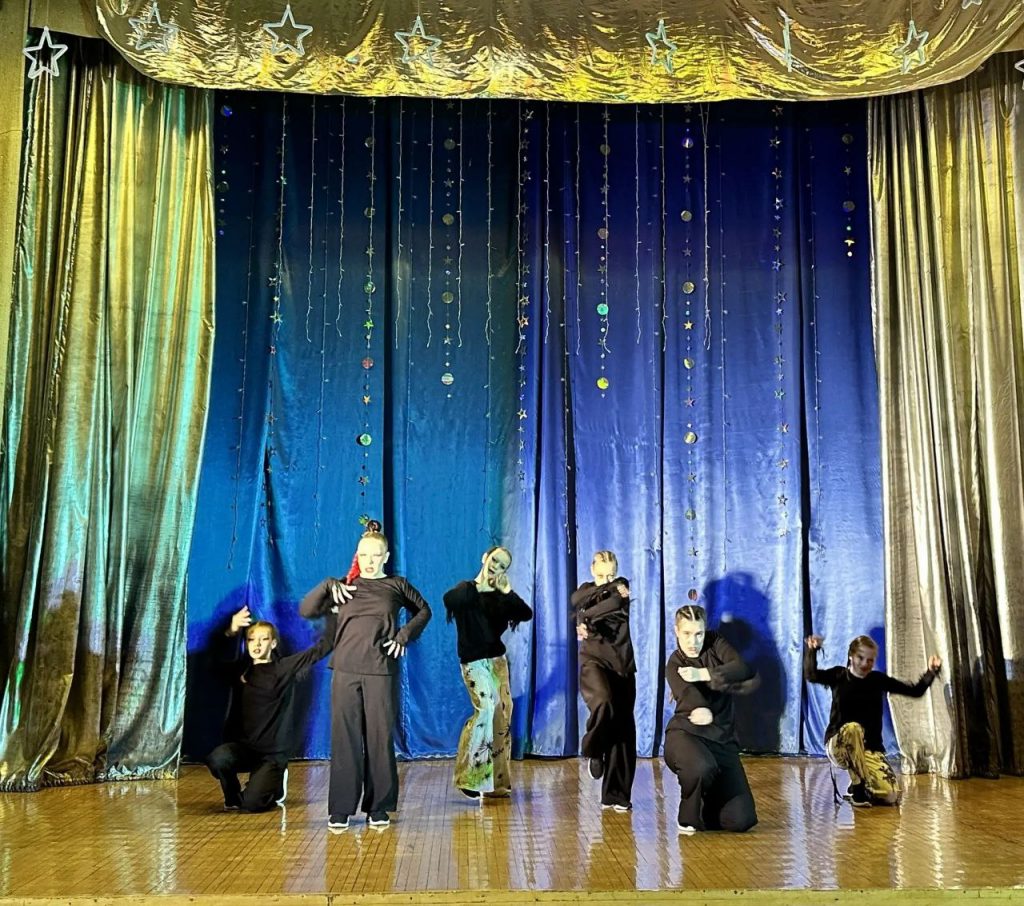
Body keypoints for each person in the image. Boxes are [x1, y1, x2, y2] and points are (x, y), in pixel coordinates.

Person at [299, 525, 432, 832]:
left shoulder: (396, 585)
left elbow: (424, 611)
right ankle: (340, 809)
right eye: (364, 555)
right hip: (345, 671)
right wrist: (327, 584)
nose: (369, 561)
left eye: (375, 555)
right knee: (344, 740)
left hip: (381, 671)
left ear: (386, 555)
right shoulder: (344, 587)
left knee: (379, 739)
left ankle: (378, 807)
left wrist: (403, 635)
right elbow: (306, 610)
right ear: (357, 556)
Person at [206, 604, 335, 812]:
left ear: (273, 643)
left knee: (252, 804)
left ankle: (274, 784)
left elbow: (322, 649)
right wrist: (230, 630)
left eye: (263, 639)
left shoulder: (282, 669)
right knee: (218, 758)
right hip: (244, 750)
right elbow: (212, 661)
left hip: (271, 754)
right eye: (251, 639)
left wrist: (333, 614)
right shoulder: (241, 670)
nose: (257, 644)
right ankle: (233, 797)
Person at [804, 633, 941, 806]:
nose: (864, 664)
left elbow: (915, 691)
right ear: (851, 656)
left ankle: (862, 784)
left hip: (869, 749)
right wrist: (812, 650)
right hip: (839, 746)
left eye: (869, 660)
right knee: (854, 728)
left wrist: (931, 672)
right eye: (860, 658)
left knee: (890, 796)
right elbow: (811, 675)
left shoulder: (877, 680)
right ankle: (858, 789)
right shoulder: (839, 675)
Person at [444, 546, 533, 800]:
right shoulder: (466, 590)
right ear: (485, 558)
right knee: (487, 707)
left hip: (497, 663)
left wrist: (507, 591)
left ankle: (496, 785)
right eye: (495, 560)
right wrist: (480, 586)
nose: (496, 566)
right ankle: (470, 777)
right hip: (473, 663)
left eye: (502, 565)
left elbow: (525, 613)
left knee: (502, 718)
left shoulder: (501, 597)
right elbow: (449, 600)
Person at [664, 604, 759, 835]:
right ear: (677, 631)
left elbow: (743, 668)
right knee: (700, 766)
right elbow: (687, 692)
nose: (693, 641)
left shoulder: (715, 642)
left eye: (698, 634)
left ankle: (707, 807)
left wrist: (703, 673)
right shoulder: (675, 663)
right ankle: (688, 815)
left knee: (741, 820)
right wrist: (700, 708)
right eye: (687, 633)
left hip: (721, 741)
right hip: (686, 737)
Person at [571, 550, 637, 811]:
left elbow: (613, 602)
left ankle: (616, 795)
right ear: (592, 569)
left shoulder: (620, 587)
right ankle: (593, 749)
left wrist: (584, 617)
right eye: (602, 575)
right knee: (603, 701)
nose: (608, 580)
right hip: (593, 661)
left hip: (621, 665)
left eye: (611, 574)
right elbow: (576, 599)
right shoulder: (584, 591)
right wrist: (583, 619)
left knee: (623, 729)